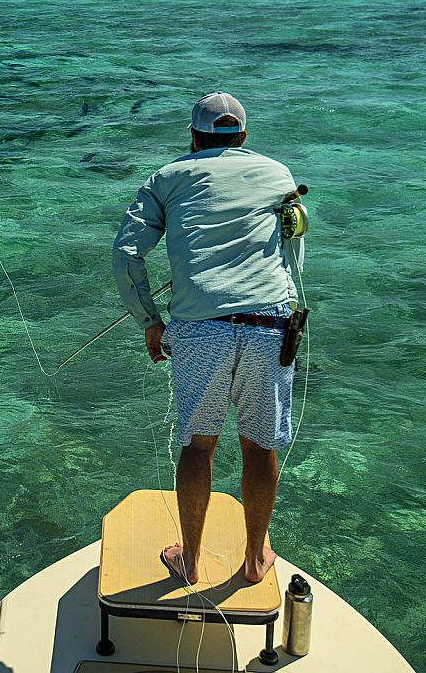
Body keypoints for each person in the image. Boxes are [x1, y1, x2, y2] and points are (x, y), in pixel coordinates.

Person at [111, 92, 300, 585]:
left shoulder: (167, 178)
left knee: (199, 447)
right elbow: (292, 236)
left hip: (200, 332)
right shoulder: (278, 174)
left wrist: (149, 321)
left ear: (194, 137)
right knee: (260, 448)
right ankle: (255, 560)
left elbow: (126, 255)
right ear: (243, 136)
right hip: (269, 326)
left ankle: (190, 560)